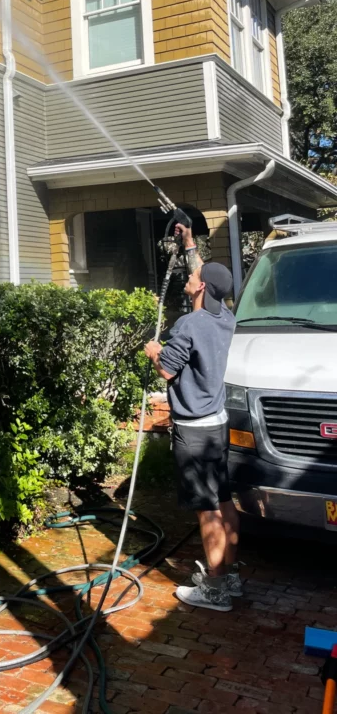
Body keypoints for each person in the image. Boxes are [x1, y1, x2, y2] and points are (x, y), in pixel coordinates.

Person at [143, 223, 240, 612]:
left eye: (194, 276)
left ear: (200, 287)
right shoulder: (224, 319)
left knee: (207, 508)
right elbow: (206, 276)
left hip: (195, 430)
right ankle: (229, 578)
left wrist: (153, 349)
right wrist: (189, 246)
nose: (190, 276)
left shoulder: (188, 325)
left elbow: (167, 369)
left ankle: (214, 590)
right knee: (224, 499)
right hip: (216, 423)